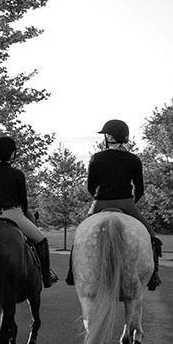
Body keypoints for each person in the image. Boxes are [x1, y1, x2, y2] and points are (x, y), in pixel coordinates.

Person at [65, 119, 162, 290]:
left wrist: (99, 198)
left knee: (80, 235)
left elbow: (90, 186)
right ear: (124, 137)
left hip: (99, 203)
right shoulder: (133, 159)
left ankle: (72, 274)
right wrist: (131, 204)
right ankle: (153, 277)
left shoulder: (96, 157)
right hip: (126, 203)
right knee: (151, 236)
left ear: (109, 137)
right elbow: (140, 189)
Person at [0, 136, 57, 288]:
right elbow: (23, 201)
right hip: (14, 214)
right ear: (12, 154)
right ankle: (46, 276)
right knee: (41, 240)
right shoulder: (17, 174)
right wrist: (23, 214)